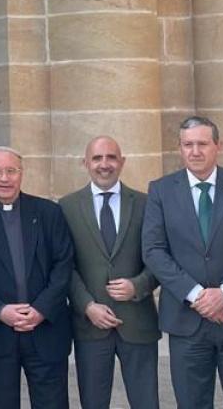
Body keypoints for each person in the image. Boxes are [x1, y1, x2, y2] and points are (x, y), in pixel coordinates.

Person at [141, 115, 223, 409]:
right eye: (188, 145)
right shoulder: (161, 190)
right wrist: (198, 296)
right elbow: (153, 250)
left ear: (218, 146)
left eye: (202, 143)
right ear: (180, 148)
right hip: (187, 321)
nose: (195, 151)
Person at [0, 146, 73, 409]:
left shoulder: (48, 213)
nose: (4, 178)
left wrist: (42, 309)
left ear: (22, 174)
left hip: (45, 331)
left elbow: (63, 264)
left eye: (11, 171)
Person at [58, 136, 160, 409]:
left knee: (146, 402)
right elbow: (63, 265)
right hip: (90, 325)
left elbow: (161, 258)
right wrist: (87, 305)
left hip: (138, 323)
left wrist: (138, 286)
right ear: (85, 163)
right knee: (93, 403)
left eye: (111, 157)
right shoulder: (67, 207)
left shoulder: (146, 203)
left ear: (122, 162)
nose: (105, 165)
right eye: (97, 158)